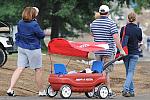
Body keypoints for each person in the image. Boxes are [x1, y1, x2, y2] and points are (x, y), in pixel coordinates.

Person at [7, 7, 50, 96]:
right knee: (38, 69)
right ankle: (41, 91)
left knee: (20, 68)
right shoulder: (34, 24)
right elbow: (41, 35)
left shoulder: (20, 22)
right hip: (33, 49)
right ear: (33, 15)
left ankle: (10, 89)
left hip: (22, 48)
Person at [90, 5, 126, 98]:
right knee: (106, 71)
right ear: (108, 13)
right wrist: (121, 50)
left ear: (100, 12)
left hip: (97, 50)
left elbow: (92, 34)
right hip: (108, 51)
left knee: (98, 70)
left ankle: (97, 89)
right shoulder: (111, 23)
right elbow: (115, 38)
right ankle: (107, 91)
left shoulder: (93, 23)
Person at [120, 12, 142, 97]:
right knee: (130, 72)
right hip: (135, 53)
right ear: (135, 19)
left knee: (128, 72)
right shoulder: (138, 29)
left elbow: (121, 39)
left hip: (125, 53)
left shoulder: (123, 28)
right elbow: (140, 39)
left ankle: (131, 91)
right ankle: (126, 89)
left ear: (128, 19)